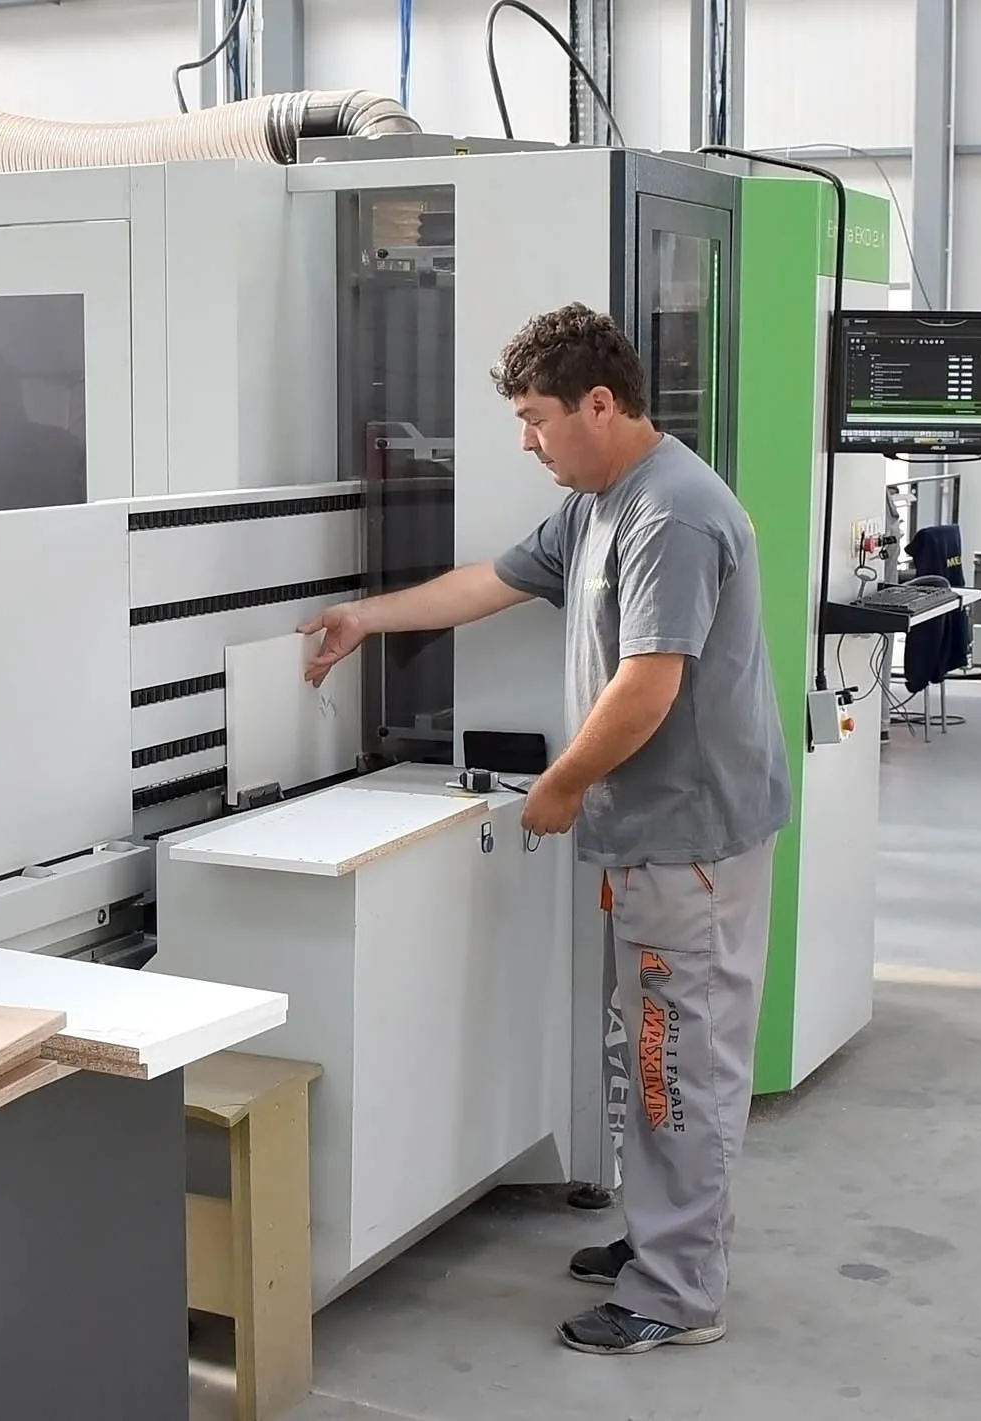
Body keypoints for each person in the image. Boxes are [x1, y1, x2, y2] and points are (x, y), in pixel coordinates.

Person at [301, 303, 789, 1357]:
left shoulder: (671, 514)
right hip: (651, 836)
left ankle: (678, 1292)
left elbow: (649, 686)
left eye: (534, 418)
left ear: (598, 403)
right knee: (651, 1049)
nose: (526, 441)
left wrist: (562, 785)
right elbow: (492, 580)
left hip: (689, 843)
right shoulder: (599, 504)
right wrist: (365, 618)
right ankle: (662, 1238)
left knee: (679, 1063)